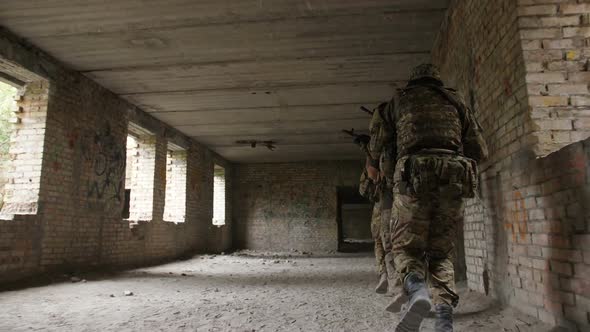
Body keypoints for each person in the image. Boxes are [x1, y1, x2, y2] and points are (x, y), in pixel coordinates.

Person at [367, 64, 488, 331]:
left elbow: (375, 158)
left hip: (412, 181)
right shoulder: (456, 103)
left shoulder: (395, 103)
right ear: (437, 82)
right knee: (441, 253)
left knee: (406, 249)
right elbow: (479, 150)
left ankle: (418, 292)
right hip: (453, 182)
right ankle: (444, 318)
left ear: (413, 82)